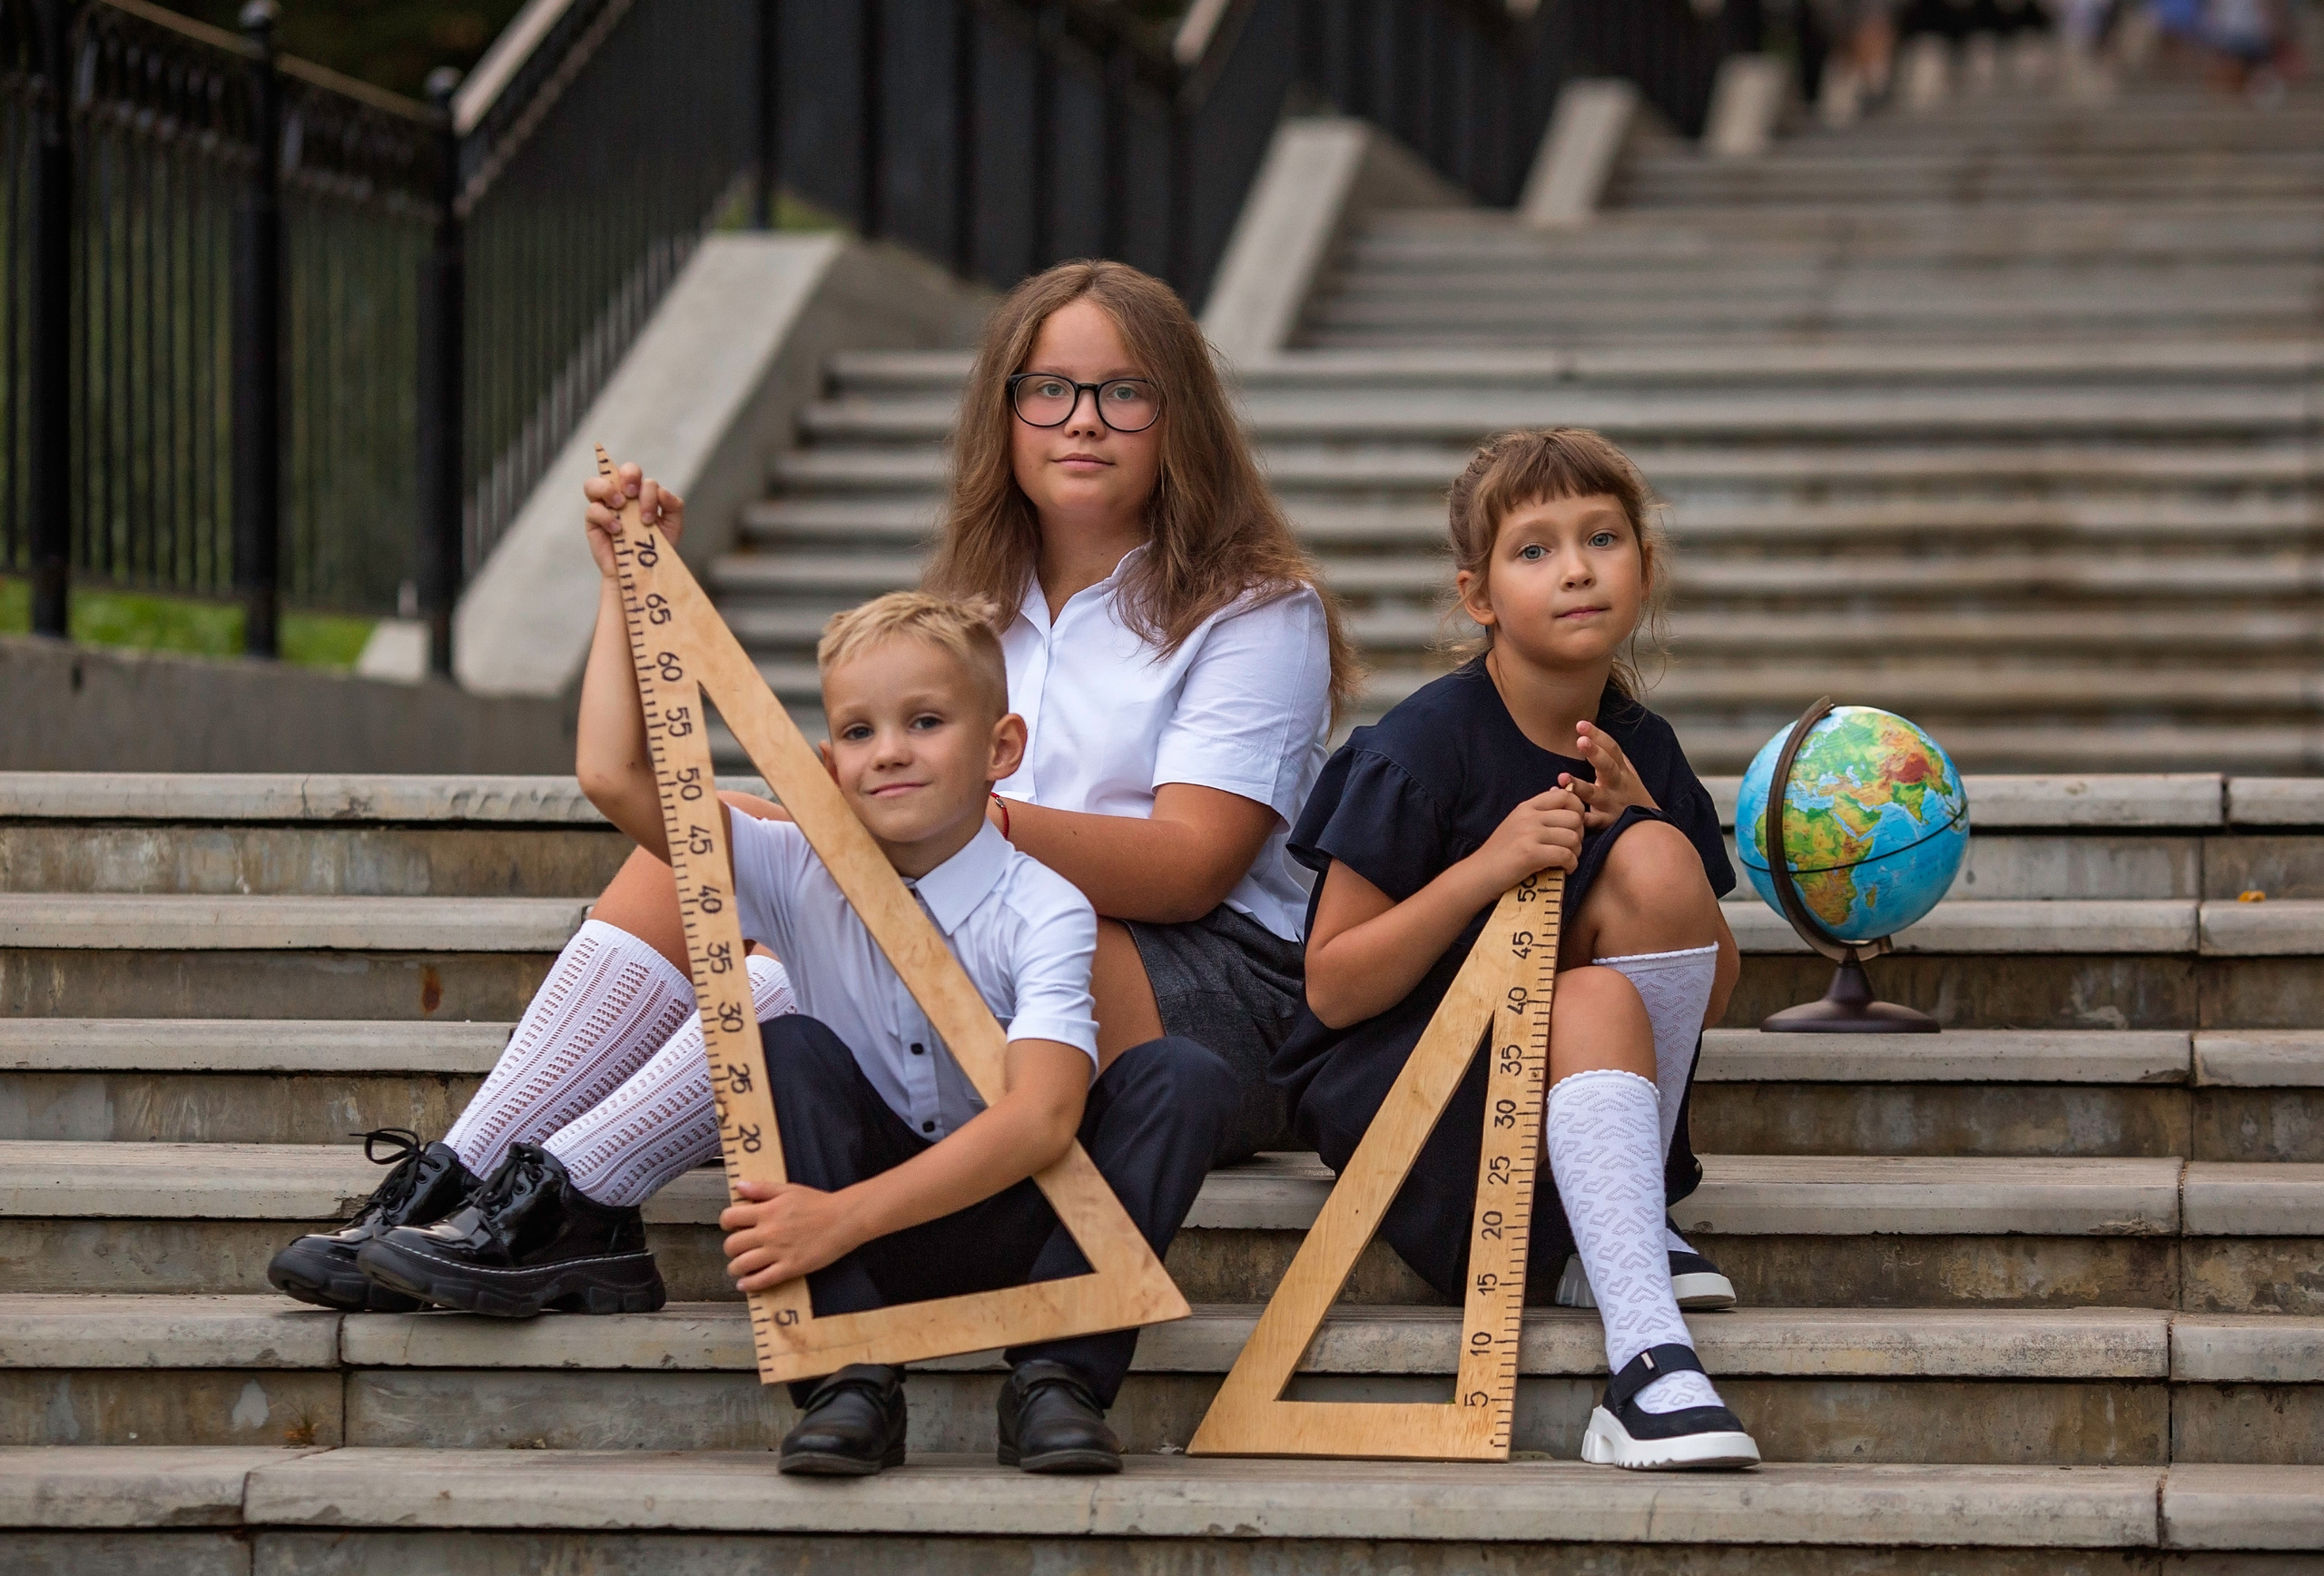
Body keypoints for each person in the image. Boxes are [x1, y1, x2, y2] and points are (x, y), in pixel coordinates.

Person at [370, 585, 1239, 1476]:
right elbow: (614, 777)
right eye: (859, 732)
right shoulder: (792, 870)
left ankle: (1059, 1379)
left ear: (1000, 747)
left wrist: (837, 1217)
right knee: (782, 1039)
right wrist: (620, 587)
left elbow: (1044, 1119)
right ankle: (849, 1381)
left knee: (1181, 1076)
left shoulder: (1046, 906)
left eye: (927, 720)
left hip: (1021, 1228)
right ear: (827, 764)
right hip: (862, 1243)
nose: (890, 751)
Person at [1271, 428, 1757, 1471]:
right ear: (1478, 594)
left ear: (1642, 566)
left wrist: (1642, 818)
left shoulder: (1644, 747)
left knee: (1650, 881)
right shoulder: (1421, 748)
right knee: (1586, 998)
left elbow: (1710, 990)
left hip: (1573, 1091)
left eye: (1602, 538)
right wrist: (1482, 869)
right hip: (1414, 1100)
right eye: (1534, 549)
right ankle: (1638, 1327)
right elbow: (1333, 985)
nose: (1576, 567)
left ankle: (1644, 1351)